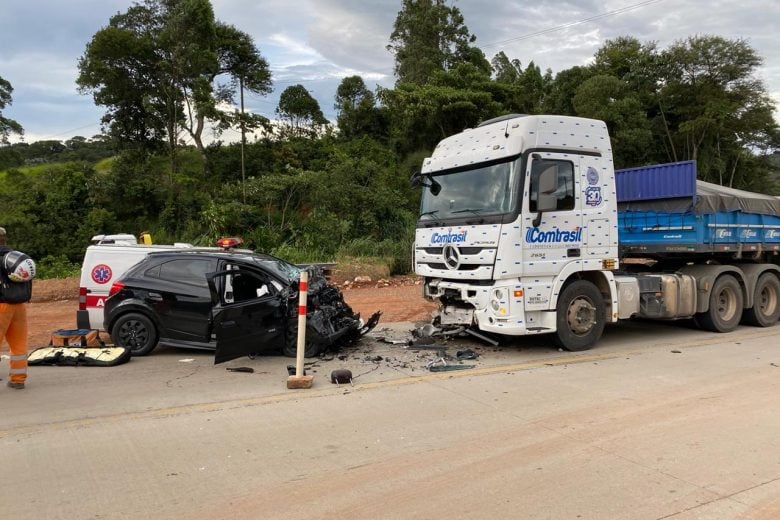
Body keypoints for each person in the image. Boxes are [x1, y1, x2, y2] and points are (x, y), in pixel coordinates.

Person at [0, 227, 31, 389]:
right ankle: (18, 379)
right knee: (18, 344)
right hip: (18, 306)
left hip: (1, 306)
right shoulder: (15, 257)